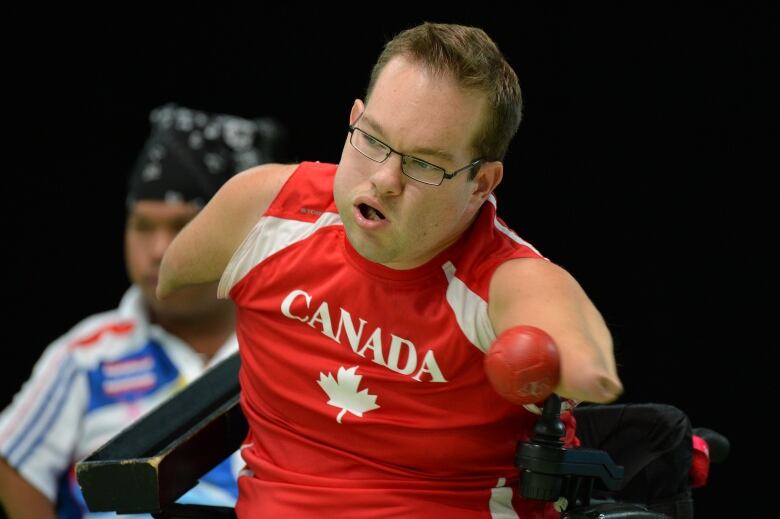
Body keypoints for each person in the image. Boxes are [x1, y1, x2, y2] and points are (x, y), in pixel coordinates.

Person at [158, 23, 623, 518]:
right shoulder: (263, 211)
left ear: (480, 183)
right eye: (373, 140)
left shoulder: (504, 279)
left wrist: (560, 364)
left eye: (424, 164)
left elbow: (587, 369)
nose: (384, 180)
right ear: (354, 119)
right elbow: (169, 280)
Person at [0, 103, 286, 519]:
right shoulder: (85, 356)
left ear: (234, 235)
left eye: (182, 226)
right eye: (143, 226)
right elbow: (12, 460)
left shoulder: (292, 347)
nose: (157, 251)